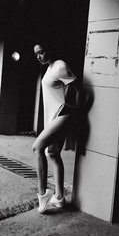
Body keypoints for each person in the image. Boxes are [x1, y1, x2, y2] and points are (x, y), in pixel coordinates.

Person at [33, 42, 83, 214]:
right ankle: (60, 198)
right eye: (36, 54)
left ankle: (43, 193)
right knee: (52, 153)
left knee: (37, 147)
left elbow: (79, 91)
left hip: (63, 115)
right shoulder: (49, 68)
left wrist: (76, 112)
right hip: (54, 118)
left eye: (41, 52)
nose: (38, 56)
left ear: (50, 50)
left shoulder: (60, 66)